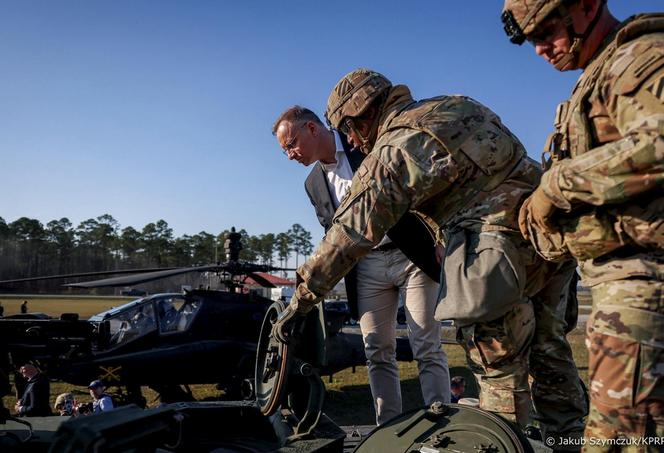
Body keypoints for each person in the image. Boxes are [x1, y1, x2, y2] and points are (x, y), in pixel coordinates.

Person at [273, 69, 587, 444]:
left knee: (499, 372)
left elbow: (349, 234)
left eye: (351, 129)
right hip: (549, 239)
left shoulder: (392, 149)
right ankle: (571, 441)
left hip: (499, 257)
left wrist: (301, 301)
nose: (354, 140)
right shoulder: (454, 105)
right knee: (551, 358)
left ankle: (503, 444)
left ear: (361, 116)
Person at [501, 0, 664, 448]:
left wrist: (556, 185)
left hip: (644, 287)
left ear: (588, 5)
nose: (539, 49)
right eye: (531, 39)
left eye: (546, 31)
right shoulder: (600, 72)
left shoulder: (639, 58)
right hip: (624, 288)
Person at [272, 106, 450, 424]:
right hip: (366, 268)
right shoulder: (312, 184)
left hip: (411, 257)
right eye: (284, 150)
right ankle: (388, 430)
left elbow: (420, 187)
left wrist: (439, 235)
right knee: (377, 352)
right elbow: (334, 234)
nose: (289, 156)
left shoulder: (363, 141)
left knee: (426, 343)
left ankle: (441, 425)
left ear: (312, 128)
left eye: (291, 144)